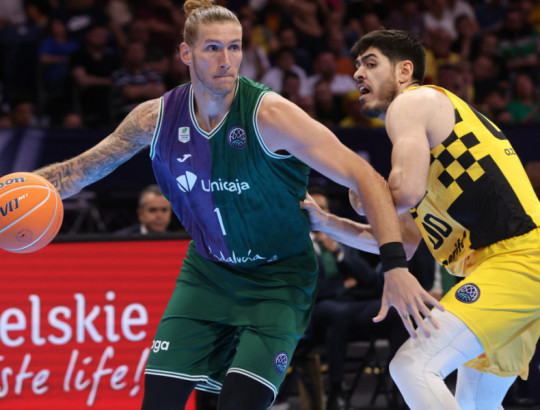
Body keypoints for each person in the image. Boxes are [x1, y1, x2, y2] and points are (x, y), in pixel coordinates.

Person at [31, 5, 440, 409]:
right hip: (208, 272)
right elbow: (79, 170)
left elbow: (366, 177)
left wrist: (394, 267)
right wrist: (15, 191)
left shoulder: (271, 114)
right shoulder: (154, 118)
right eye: (212, 48)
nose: (226, 60)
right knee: (158, 402)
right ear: (186, 54)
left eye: (235, 47)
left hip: (278, 278)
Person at [300, 29, 540, 410]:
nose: (358, 73)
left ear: (404, 71)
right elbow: (401, 242)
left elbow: (403, 194)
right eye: (357, 65)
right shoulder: (426, 150)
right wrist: (327, 222)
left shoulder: (411, 102)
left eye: (371, 63)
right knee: (477, 404)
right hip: (507, 269)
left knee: (412, 366)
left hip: (517, 260)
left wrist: (364, 194)